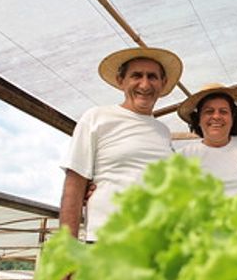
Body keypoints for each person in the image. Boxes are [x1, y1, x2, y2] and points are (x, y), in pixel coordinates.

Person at [60, 47, 183, 242]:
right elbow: (74, 186)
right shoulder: (97, 117)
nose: (145, 84)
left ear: (163, 83)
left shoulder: (163, 132)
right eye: (136, 75)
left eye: (152, 77)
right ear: (121, 81)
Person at [177, 83, 237, 195]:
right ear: (198, 120)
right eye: (209, 111)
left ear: (232, 118)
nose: (216, 116)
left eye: (223, 111)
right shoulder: (184, 156)